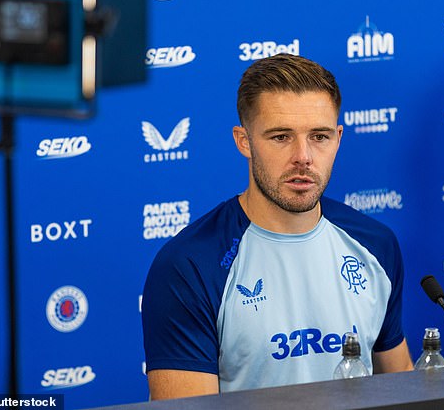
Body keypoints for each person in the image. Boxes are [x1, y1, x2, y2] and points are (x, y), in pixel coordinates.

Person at [141, 54, 414, 400]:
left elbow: (403, 384)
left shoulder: (376, 245)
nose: (303, 156)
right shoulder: (188, 265)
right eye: (281, 137)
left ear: (338, 138)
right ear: (244, 141)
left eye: (319, 136)